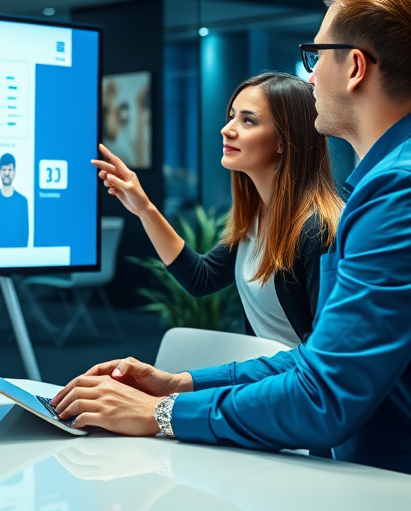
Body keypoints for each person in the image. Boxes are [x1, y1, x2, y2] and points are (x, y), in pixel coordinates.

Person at [54, 0, 411, 503]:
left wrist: (161, 415)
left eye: (316, 56)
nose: (310, 75)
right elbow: (325, 357)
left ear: (356, 68)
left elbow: (324, 398)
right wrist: (181, 385)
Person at [93, 71, 343, 348]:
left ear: (284, 140)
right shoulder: (257, 217)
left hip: (290, 387)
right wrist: (145, 209)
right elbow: (201, 278)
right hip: (262, 381)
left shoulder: (317, 230)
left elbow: (325, 357)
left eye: (248, 120)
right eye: (232, 116)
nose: (227, 129)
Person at [0, 152, 29, 248]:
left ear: (14, 171)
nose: (7, 173)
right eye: (4, 170)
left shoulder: (22, 202)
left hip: (17, 260)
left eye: (10, 169)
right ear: (0, 172)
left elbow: (25, 235)